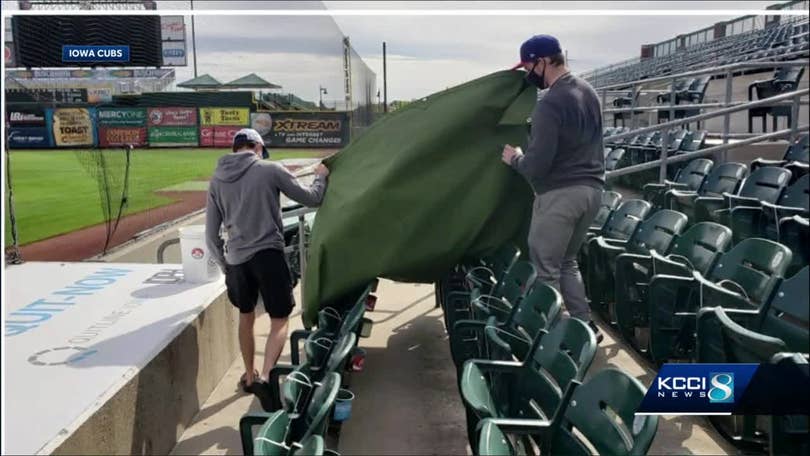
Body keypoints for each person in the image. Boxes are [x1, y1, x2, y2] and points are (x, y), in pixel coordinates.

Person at [205, 128, 330, 400]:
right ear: (258, 147)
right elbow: (312, 198)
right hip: (268, 255)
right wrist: (321, 176)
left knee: (246, 316)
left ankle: (249, 376)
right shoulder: (269, 169)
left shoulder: (216, 180)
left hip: (236, 259)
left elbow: (210, 235)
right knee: (279, 318)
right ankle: (265, 375)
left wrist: (226, 266)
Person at [501, 34, 606, 343]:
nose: (529, 73)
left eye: (529, 66)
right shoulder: (589, 92)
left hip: (561, 194)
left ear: (543, 62)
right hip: (593, 191)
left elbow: (536, 166)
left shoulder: (550, 104)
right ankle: (585, 327)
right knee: (567, 262)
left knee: (546, 269)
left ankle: (557, 341)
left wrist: (515, 158)